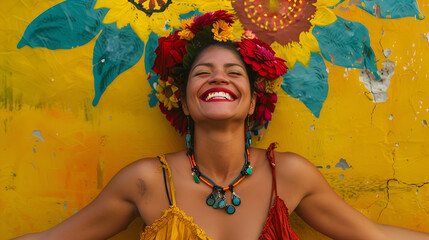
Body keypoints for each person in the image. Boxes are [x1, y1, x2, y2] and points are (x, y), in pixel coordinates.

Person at [12, 10, 429, 240]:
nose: (218, 78)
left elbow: (373, 236)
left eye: (233, 72)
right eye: (202, 72)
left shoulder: (290, 175)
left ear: (253, 102)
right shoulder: (146, 182)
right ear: (183, 101)